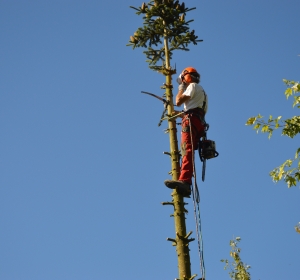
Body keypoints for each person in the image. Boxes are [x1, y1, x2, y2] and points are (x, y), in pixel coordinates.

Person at [164, 67, 208, 197]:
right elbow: (192, 110)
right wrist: (176, 114)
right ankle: (186, 183)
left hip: (191, 121)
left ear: (186, 77)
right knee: (188, 150)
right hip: (198, 122)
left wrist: (180, 89)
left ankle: (185, 181)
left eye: (183, 80)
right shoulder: (203, 92)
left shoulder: (192, 86)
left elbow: (178, 101)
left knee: (187, 149)